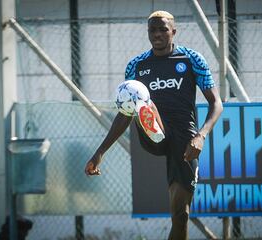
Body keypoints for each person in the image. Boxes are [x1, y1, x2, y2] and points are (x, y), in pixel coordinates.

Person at [85, 10, 223, 240]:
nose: (157, 34)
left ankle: (150, 113)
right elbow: (123, 114)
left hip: (185, 139)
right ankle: (149, 114)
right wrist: (100, 152)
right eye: (152, 30)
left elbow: (216, 104)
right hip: (153, 135)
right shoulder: (137, 66)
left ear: (173, 32)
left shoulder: (192, 59)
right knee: (137, 95)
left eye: (163, 29)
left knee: (181, 215)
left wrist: (201, 135)